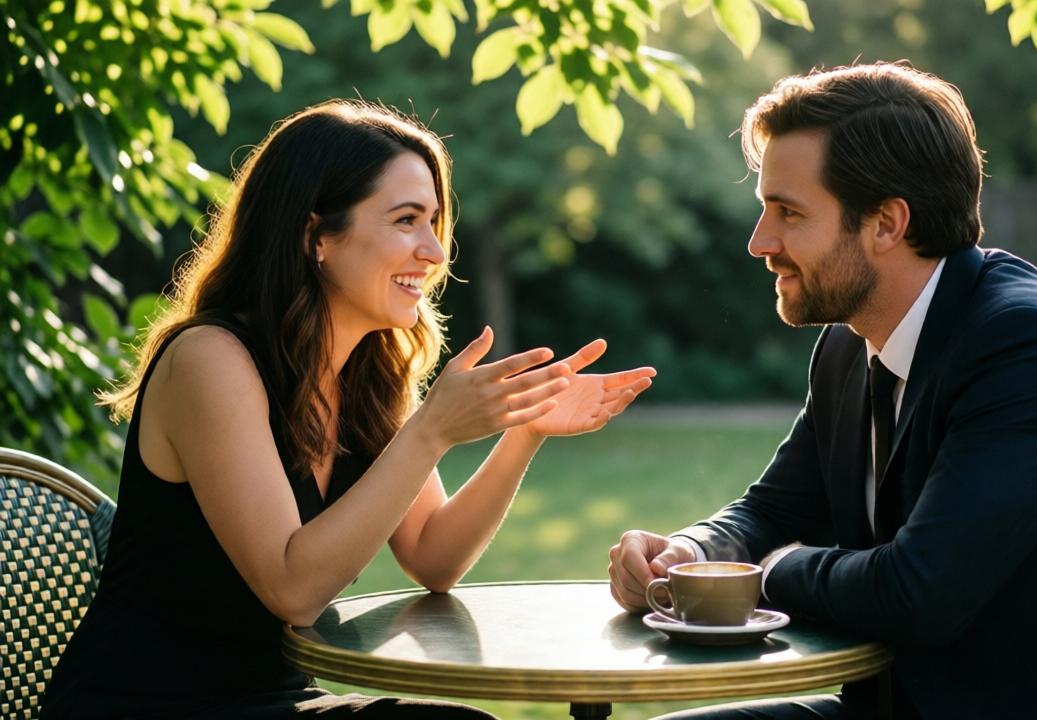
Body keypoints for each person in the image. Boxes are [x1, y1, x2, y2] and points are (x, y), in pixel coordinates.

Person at [607, 62, 1037, 719]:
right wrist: (691, 554)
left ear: (886, 224)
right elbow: (774, 507)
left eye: (789, 213)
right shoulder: (849, 346)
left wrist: (770, 572)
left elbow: (918, 592)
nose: (759, 242)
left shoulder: (1026, 346)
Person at [41, 100, 655, 719]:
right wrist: (430, 432)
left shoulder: (369, 373)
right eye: (406, 220)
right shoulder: (212, 361)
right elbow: (292, 590)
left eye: (433, 221)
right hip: (145, 706)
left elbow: (434, 557)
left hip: (278, 701)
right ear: (316, 237)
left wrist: (522, 432)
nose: (434, 252)